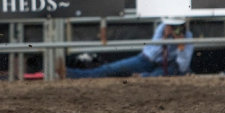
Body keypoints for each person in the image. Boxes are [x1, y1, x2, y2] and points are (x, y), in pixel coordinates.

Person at [66, 17, 194, 78]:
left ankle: (142, 76)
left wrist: (181, 46)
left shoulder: (188, 37)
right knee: (110, 69)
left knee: (157, 77)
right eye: (171, 26)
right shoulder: (162, 29)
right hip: (145, 59)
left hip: (168, 66)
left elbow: (182, 66)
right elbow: (153, 52)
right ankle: (71, 74)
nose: (174, 29)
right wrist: (164, 38)